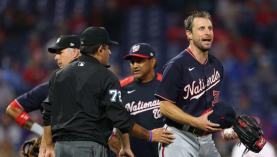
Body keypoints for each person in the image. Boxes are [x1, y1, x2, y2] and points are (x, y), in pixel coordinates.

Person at [42, 26, 136, 157]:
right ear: (100, 49)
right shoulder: (107, 76)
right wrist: (146, 136)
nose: (109, 52)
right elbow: (118, 116)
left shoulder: (58, 75)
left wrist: (49, 146)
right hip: (88, 145)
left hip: (60, 147)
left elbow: (47, 112)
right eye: (108, 48)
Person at [155, 11, 224, 157]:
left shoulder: (216, 65)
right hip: (179, 137)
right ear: (189, 34)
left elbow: (213, 106)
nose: (207, 33)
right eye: (201, 28)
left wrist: (227, 128)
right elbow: (164, 106)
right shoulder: (176, 65)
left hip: (206, 139)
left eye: (210, 28)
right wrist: (195, 122)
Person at [5, 35, 81, 157]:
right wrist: (41, 132)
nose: (56, 57)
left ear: (75, 53)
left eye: (60, 53)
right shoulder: (49, 88)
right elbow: (13, 109)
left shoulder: (96, 84)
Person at [119, 43, 166, 157]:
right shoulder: (121, 88)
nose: (134, 65)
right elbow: (114, 128)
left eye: (140, 61)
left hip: (163, 151)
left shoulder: (166, 84)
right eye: (132, 62)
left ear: (153, 61)